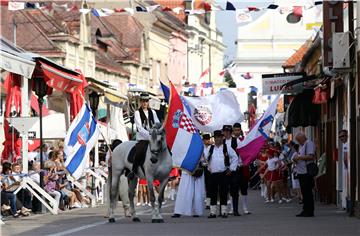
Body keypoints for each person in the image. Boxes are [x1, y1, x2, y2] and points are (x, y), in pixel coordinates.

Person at [205, 130, 238, 218]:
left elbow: (235, 158)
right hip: (213, 174)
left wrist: (231, 169)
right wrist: (207, 165)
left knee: (224, 192)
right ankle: (213, 212)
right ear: (214, 138)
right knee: (213, 193)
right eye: (216, 138)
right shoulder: (210, 148)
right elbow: (204, 159)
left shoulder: (227, 148)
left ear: (222, 138)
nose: (218, 139)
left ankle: (224, 211)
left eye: (219, 137)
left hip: (224, 173)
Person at [128, 93, 160, 180]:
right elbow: (139, 128)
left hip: (153, 137)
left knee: (163, 147)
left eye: (146, 101)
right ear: (140, 102)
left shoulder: (153, 112)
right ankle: (134, 171)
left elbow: (157, 123)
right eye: (143, 101)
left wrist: (157, 130)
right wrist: (149, 134)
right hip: (143, 138)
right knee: (139, 151)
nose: (145, 103)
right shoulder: (137, 113)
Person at [293, 133, 316, 217]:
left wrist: (298, 158)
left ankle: (309, 211)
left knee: (307, 192)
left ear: (303, 138)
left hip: (306, 172)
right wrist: (296, 159)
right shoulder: (302, 145)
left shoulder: (308, 143)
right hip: (301, 172)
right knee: (304, 192)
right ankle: (305, 209)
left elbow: (311, 156)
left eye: (299, 140)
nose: (298, 142)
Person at [222, 125, 242, 216]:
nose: (225, 133)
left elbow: (240, 154)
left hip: (235, 168)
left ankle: (235, 210)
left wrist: (238, 164)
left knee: (234, 189)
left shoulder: (236, 141)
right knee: (225, 189)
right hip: (225, 168)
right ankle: (226, 209)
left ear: (230, 132)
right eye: (224, 131)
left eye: (226, 131)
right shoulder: (222, 142)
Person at [339, 129, 349, 210]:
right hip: (347, 169)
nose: (341, 138)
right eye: (340, 137)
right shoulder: (345, 144)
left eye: (343, 136)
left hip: (347, 169)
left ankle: (346, 205)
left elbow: (345, 159)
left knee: (347, 186)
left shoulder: (346, 145)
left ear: (347, 136)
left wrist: (346, 167)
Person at [201, 133, 212, 209]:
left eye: (208, 139)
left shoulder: (212, 148)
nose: (207, 141)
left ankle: (208, 203)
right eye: (206, 140)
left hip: (210, 168)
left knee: (209, 185)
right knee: (202, 185)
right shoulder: (201, 148)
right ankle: (203, 201)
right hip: (202, 168)